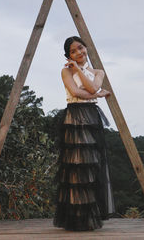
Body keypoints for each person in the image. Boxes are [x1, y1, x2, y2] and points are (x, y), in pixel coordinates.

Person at [53, 36, 115, 231]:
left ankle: (88, 216)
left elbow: (92, 86)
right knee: (75, 167)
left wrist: (80, 71)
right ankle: (75, 218)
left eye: (80, 48)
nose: (79, 53)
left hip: (91, 116)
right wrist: (97, 95)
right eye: (73, 51)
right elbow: (77, 92)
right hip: (75, 116)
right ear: (68, 55)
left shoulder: (98, 71)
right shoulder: (65, 71)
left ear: (86, 47)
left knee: (91, 166)